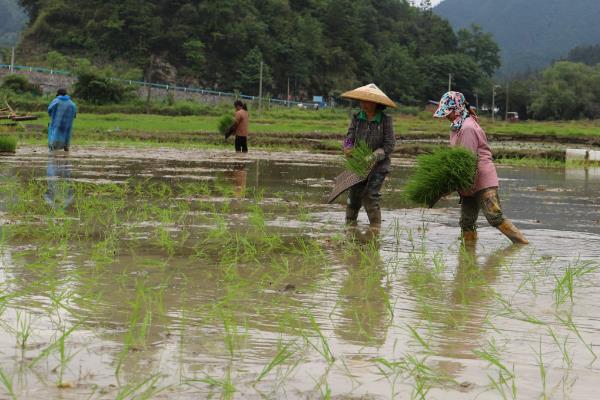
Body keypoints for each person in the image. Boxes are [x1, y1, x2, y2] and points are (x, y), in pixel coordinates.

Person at [433, 91, 528, 244]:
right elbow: (458, 158)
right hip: (467, 182)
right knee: (467, 222)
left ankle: (523, 245)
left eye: (448, 112)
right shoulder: (457, 127)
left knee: (494, 217)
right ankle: (468, 256)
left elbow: (467, 161)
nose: (446, 116)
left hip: (482, 179)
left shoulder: (467, 128)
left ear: (457, 109)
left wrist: (450, 186)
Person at [341, 83, 397, 229]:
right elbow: (349, 137)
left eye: (367, 101)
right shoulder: (357, 118)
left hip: (378, 166)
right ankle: (350, 228)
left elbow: (389, 145)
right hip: (358, 164)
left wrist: (373, 156)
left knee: (370, 196)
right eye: (362, 101)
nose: (363, 104)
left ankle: (375, 230)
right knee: (353, 197)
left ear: (375, 103)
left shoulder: (385, 120)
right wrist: (347, 147)